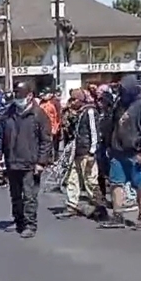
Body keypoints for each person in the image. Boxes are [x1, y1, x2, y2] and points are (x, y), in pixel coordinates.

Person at [100, 75, 141, 229]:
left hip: (136, 152)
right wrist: (108, 144)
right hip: (118, 151)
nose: (121, 92)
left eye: (124, 89)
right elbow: (112, 125)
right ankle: (117, 215)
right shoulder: (119, 103)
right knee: (115, 183)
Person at [0, 83, 52, 238]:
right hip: (12, 160)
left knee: (29, 196)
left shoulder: (39, 115)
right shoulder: (8, 114)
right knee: (15, 195)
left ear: (29, 96)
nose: (17, 99)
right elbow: (0, 136)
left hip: (30, 162)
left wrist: (42, 162)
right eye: (16, 96)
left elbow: (46, 140)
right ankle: (18, 221)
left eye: (20, 96)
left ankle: (30, 225)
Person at [58, 90, 105, 220]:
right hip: (77, 152)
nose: (72, 102)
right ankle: (71, 205)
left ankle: (99, 206)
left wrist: (92, 151)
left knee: (90, 180)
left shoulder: (90, 111)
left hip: (87, 152)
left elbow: (94, 132)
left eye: (74, 100)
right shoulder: (79, 113)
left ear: (80, 100)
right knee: (73, 179)